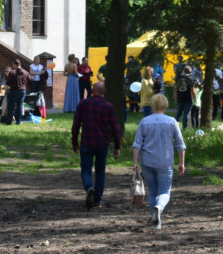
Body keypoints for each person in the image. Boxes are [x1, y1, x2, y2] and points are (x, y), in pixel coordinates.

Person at [132, 93, 186, 230]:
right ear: (165, 106)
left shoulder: (144, 121)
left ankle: (156, 223)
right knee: (164, 192)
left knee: (153, 192)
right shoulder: (172, 121)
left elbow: (137, 144)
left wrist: (135, 163)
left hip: (147, 162)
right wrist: (181, 162)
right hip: (165, 162)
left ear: (152, 106)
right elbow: (180, 144)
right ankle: (159, 207)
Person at [71, 82, 121, 209]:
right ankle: (97, 200)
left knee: (86, 170)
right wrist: (117, 147)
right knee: (100, 172)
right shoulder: (108, 106)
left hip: (87, 142)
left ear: (92, 91)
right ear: (104, 92)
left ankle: (89, 187)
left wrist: (75, 142)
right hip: (102, 144)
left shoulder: (83, 104)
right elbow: (116, 128)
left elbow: (76, 124)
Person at [5, 59, 31, 125]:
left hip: (13, 91)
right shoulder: (25, 72)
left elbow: (7, 83)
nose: (13, 66)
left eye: (13, 64)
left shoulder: (12, 72)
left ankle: (9, 122)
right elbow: (31, 80)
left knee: (11, 106)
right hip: (22, 91)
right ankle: (19, 121)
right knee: (20, 106)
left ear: (15, 64)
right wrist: (24, 84)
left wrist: (6, 91)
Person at [174, 65, 194, 129]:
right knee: (186, 114)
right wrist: (195, 99)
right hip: (188, 98)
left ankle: (175, 126)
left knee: (178, 113)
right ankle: (184, 127)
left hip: (180, 98)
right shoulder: (190, 79)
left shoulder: (179, 79)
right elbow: (193, 90)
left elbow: (175, 89)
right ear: (190, 72)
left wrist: (176, 97)